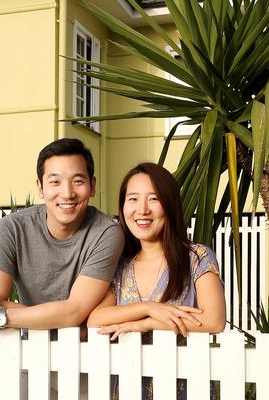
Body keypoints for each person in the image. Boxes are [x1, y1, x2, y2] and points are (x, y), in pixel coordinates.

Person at [0, 138, 124, 397]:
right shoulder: (11, 229)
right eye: (55, 181)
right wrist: (67, 316)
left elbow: (74, 311)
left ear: (93, 186)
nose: (67, 193)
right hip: (30, 357)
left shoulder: (107, 233)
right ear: (40, 188)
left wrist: (4, 315)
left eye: (78, 180)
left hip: (88, 362)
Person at [87, 162, 225, 399]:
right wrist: (148, 308)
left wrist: (146, 323)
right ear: (122, 207)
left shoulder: (197, 257)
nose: (142, 210)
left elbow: (214, 321)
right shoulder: (120, 266)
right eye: (133, 199)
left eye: (153, 199)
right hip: (129, 388)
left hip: (187, 388)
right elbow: (96, 320)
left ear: (170, 205)